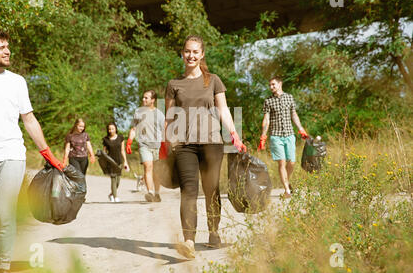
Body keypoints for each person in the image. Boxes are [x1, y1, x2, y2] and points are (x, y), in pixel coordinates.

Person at [0, 29, 64, 273]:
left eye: (8, 46)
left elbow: (28, 120)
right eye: (1, 47)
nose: (8, 51)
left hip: (12, 156)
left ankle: (3, 268)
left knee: (5, 212)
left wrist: (48, 153)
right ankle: (0, 242)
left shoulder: (17, 81)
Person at [163, 35, 246, 259]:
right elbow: (169, 117)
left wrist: (234, 134)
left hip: (212, 143)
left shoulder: (213, 80)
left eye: (195, 52)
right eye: (187, 51)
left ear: (202, 55)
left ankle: (213, 231)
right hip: (184, 144)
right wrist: (165, 143)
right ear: (183, 54)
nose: (191, 55)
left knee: (211, 189)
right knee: (188, 190)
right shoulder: (174, 85)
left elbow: (223, 110)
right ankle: (189, 241)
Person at [257, 76, 308, 199]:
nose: (271, 87)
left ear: (280, 84)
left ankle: (286, 181)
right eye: (270, 85)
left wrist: (301, 129)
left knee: (292, 162)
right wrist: (263, 135)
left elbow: (294, 114)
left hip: (289, 134)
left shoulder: (289, 97)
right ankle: (286, 190)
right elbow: (266, 119)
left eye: (273, 84)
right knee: (282, 162)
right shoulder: (268, 101)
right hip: (276, 136)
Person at [126, 90, 165, 202]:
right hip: (144, 145)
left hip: (157, 146)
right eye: (143, 97)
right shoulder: (138, 112)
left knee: (157, 172)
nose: (143, 99)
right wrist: (129, 141)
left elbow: (164, 131)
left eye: (146, 98)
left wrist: (165, 146)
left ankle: (157, 193)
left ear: (153, 100)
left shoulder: (159, 114)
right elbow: (133, 129)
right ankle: (150, 192)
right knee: (148, 167)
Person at [102, 122, 129, 202]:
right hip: (111, 162)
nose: (111, 130)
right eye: (109, 129)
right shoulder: (105, 139)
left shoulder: (120, 138)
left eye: (112, 128)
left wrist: (125, 162)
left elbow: (122, 150)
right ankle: (115, 197)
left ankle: (111, 194)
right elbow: (104, 152)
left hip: (119, 161)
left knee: (118, 181)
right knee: (113, 179)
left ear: (116, 129)